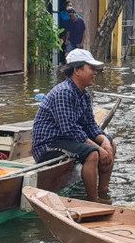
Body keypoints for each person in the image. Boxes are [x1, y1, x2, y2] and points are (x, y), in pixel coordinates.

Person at [31, 48, 117, 204]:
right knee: (92, 154)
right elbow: (70, 129)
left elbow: (89, 124)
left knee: (111, 144)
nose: (95, 72)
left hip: (67, 139)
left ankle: (103, 193)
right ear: (77, 70)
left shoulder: (84, 95)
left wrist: (104, 141)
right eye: (91, 68)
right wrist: (98, 149)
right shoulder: (64, 92)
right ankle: (93, 202)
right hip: (48, 145)